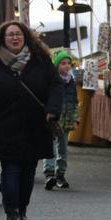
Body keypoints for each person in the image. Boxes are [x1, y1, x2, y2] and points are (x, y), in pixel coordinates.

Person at [0, 21, 61, 220]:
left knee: (28, 171)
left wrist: (52, 109)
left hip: (34, 124)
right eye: (10, 35)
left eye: (18, 35)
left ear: (26, 38)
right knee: (11, 169)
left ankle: (23, 208)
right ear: (2, 39)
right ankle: (11, 213)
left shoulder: (40, 61)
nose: (14, 38)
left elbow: (55, 85)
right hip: (5, 125)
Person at [44, 49, 79, 190]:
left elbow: (75, 101)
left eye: (68, 63)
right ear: (56, 65)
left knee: (63, 148)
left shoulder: (71, 82)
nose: (67, 66)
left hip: (67, 119)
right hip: (54, 119)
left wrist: (76, 118)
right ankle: (49, 173)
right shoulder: (52, 81)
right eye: (63, 63)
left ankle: (61, 173)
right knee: (50, 147)